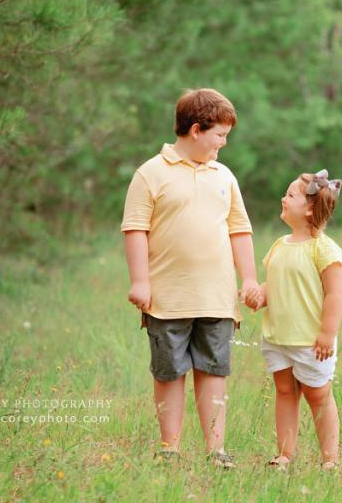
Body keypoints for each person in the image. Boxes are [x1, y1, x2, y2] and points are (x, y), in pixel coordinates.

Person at [121, 88, 259, 468]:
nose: (223, 144)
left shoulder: (223, 175)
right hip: (167, 298)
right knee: (170, 372)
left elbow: (239, 230)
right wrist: (140, 281)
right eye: (219, 135)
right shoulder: (151, 173)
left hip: (216, 296)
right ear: (196, 129)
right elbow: (135, 229)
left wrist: (248, 278)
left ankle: (216, 449)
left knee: (213, 370)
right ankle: (170, 448)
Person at [244, 169, 342, 470]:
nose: (283, 197)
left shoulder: (323, 249)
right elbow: (274, 284)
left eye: (290, 194)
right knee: (285, 392)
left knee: (318, 395)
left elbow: (335, 295)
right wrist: (260, 296)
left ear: (308, 208)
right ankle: (285, 454)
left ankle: (330, 458)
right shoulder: (280, 245)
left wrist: (327, 334)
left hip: (310, 340)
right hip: (278, 337)